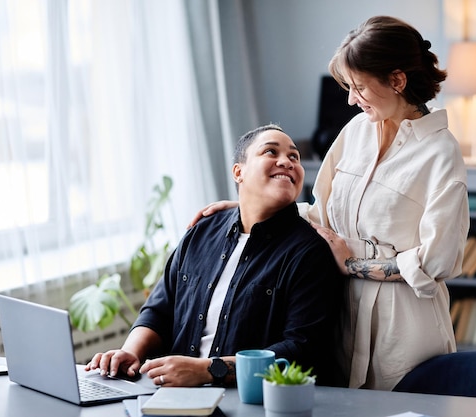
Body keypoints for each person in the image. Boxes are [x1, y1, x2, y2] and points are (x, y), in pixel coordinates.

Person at [189, 16, 470, 391]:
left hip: (403, 327)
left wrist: (354, 264)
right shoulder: (355, 131)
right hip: (341, 314)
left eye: (358, 87)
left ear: (398, 81)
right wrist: (245, 206)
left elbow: (439, 259)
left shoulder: (441, 152)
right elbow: (318, 214)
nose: (351, 99)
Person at [86, 124, 342, 387]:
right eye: (270, 151)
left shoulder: (309, 251)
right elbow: (159, 310)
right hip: (171, 393)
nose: (286, 162)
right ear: (238, 172)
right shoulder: (200, 232)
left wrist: (210, 370)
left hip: (250, 400)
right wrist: (130, 352)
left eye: (294, 157)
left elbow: (301, 350)